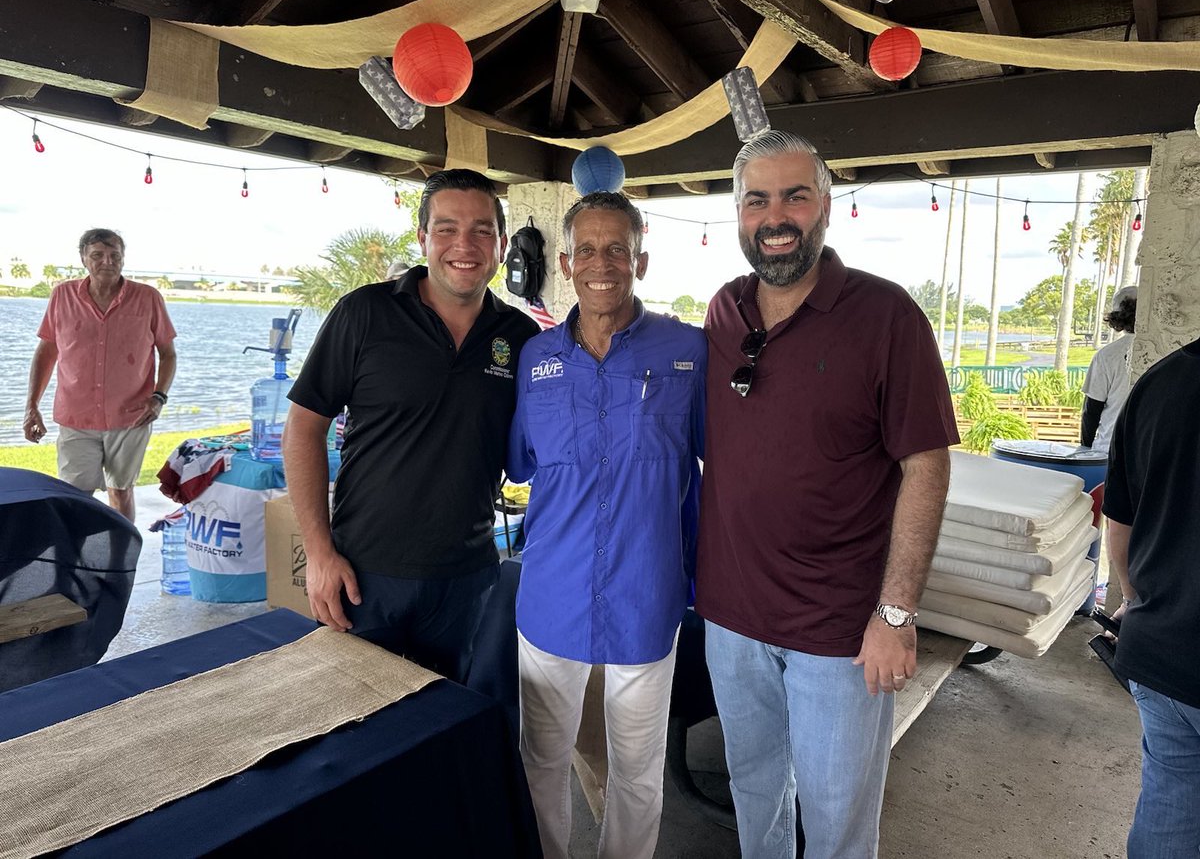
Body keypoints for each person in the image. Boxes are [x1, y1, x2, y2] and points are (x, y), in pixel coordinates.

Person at [694, 131, 958, 859]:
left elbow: (926, 468)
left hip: (842, 634)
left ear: (826, 208)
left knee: (839, 816)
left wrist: (897, 615)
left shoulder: (887, 317)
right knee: (753, 791)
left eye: (794, 196)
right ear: (739, 215)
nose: (776, 216)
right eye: (758, 200)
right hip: (732, 620)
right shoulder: (724, 312)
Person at [507, 191, 706, 859]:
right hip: (550, 595)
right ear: (564, 263)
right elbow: (521, 462)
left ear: (639, 260)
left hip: (646, 594)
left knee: (638, 771)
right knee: (541, 758)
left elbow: (725, 466)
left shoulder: (688, 351)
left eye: (616, 248)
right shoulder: (536, 361)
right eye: (586, 249)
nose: (602, 263)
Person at [281, 169, 538, 682]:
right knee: (356, 734)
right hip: (364, 576)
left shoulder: (521, 335)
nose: (463, 245)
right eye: (446, 228)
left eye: (482, 230)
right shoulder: (366, 313)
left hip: (470, 579)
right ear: (422, 238)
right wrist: (319, 553)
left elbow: (539, 449)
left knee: (453, 733)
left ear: (502, 244)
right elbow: (303, 430)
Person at [1102, 335, 1200, 858]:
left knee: (1171, 808)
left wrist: (1139, 600)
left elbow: (1121, 528)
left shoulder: (1161, 383)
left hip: (1161, 652)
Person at [24, 229, 176, 522]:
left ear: (122, 258)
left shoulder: (148, 298)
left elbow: (168, 353)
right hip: (76, 416)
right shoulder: (62, 295)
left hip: (131, 415)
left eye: (114, 255)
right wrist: (32, 406)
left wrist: (159, 397)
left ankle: (121, 561)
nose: (107, 261)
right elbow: (47, 351)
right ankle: (79, 560)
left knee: (120, 491)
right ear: (83, 259)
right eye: (97, 255)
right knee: (75, 495)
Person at [1081, 284, 1137, 451]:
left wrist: (1085, 451)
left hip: (1108, 450)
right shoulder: (1168, 353)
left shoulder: (1107, 356)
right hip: (1148, 455)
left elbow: (1091, 411)